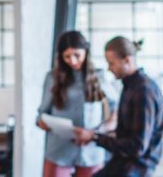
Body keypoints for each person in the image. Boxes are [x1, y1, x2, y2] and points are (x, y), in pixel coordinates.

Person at [73, 36, 163, 177]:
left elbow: (137, 147)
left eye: (111, 63)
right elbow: (127, 135)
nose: (109, 69)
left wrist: (95, 138)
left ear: (127, 60)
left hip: (136, 168)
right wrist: (97, 135)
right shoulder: (129, 86)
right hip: (122, 163)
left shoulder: (143, 91)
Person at [37, 31, 117, 177]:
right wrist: (42, 122)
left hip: (92, 149)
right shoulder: (52, 78)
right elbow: (42, 113)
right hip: (59, 149)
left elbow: (116, 107)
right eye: (67, 56)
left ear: (86, 52)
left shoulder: (100, 77)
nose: (72, 61)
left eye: (77, 55)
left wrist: (99, 131)